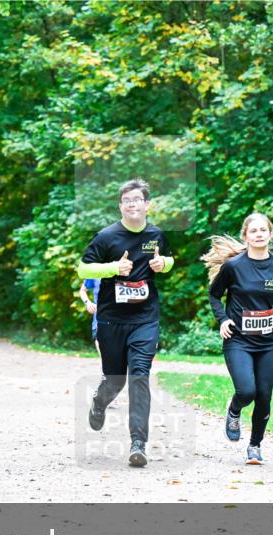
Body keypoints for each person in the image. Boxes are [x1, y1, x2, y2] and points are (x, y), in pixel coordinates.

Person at [77, 178, 174, 468]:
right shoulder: (107, 237)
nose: (133, 204)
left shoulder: (156, 234)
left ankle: (138, 443)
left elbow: (169, 259)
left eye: (138, 199)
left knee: (140, 375)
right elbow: (83, 267)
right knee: (116, 378)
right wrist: (112, 268)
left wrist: (163, 264)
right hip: (111, 318)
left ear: (147, 204)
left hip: (145, 317)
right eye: (127, 200)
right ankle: (100, 401)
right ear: (121, 206)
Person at [203, 212, 273, 465]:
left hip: (269, 342)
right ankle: (234, 410)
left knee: (264, 395)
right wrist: (223, 319)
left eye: (263, 230)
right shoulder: (234, 267)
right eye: (253, 231)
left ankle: (255, 447)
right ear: (245, 236)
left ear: (270, 234)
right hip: (238, 340)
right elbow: (214, 295)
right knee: (247, 391)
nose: (259, 234)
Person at [78, 278, 101, 354]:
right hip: (99, 322)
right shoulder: (96, 270)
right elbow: (82, 291)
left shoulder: (126, 270)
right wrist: (88, 303)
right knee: (106, 362)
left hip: (124, 321)